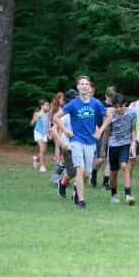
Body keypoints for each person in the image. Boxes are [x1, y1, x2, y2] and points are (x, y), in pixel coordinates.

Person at [54, 76, 111, 210]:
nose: (85, 86)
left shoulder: (96, 103)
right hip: (76, 141)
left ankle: (76, 191)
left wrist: (100, 130)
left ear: (90, 87)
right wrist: (66, 131)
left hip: (90, 142)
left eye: (87, 84)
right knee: (79, 169)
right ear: (78, 87)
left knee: (86, 174)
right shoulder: (73, 103)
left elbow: (109, 116)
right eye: (82, 84)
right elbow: (56, 117)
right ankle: (81, 201)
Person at [101, 93, 137, 205]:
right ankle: (114, 193)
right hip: (113, 145)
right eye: (116, 107)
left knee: (124, 166)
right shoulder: (110, 114)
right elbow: (106, 133)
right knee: (113, 172)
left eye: (120, 106)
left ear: (125, 104)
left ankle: (128, 195)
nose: (118, 109)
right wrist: (103, 148)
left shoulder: (132, 113)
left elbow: (133, 129)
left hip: (125, 143)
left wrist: (133, 142)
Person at [52, 89, 78, 199]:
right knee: (72, 173)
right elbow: (53, 130)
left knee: (83, 172)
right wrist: (62, 144)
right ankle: (62, 182)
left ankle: (76, 194)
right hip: (68, 147)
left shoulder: (81, 112)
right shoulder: (65, 114)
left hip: (81, 145)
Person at [31, 99, 50, 172]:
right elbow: (32, 123)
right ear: (42, 106)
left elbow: (48, 124)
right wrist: (36, 119)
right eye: (46, 105)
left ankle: (36, 159)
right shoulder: (37, 113)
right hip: (38, 132)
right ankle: (42, 166)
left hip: (45, 133)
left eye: (48, 105)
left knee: (44, 151)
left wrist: (49, 132)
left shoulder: (48, 114)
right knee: (42, 148)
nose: (48, 107)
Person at [49, 92, 65, 164]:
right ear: (58, 99)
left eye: (63, 99)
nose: (62, 100)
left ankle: (60, 160)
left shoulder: (65, 107)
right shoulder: (54, 107)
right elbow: (49, 119)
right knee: (57, 144)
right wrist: (49, 129)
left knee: (62, 144)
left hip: (62, 127)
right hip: (55, 127)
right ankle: (57, 161)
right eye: (61, 99)